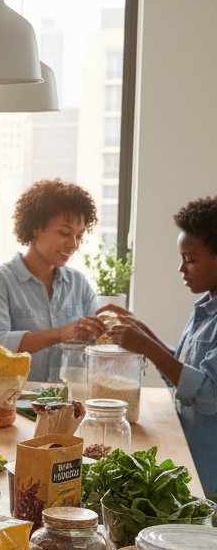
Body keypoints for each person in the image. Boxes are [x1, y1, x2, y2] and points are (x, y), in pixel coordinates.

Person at [105, 196, 217, 498]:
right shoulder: (205, 310)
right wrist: (145, 336)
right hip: (192, 460)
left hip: (211, 475)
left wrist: (146, 346)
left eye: (191, 259)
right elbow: (181, 377)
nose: (182, 268)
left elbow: (207, 395)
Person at [0, 178, 108, 382]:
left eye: (79, 236)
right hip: (15, 403)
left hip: (66, 403)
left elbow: (97, 346)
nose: (73, 244)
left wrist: (110, 332)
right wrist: (60, 334)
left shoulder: (79, 284)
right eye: (64, 233)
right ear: (36, 228)